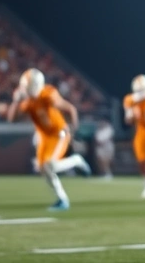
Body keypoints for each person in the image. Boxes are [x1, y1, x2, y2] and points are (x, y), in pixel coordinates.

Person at [7, 68, 90, 211]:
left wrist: (74, 131)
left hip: (59, 133)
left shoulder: (48, 94)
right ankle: (62, 199)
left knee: (48, 166)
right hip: (45, 137)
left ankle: (76, 161)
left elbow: (70, 109)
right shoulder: (28, 102)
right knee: (43, 168)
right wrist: (15, 102)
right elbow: (11, 119)